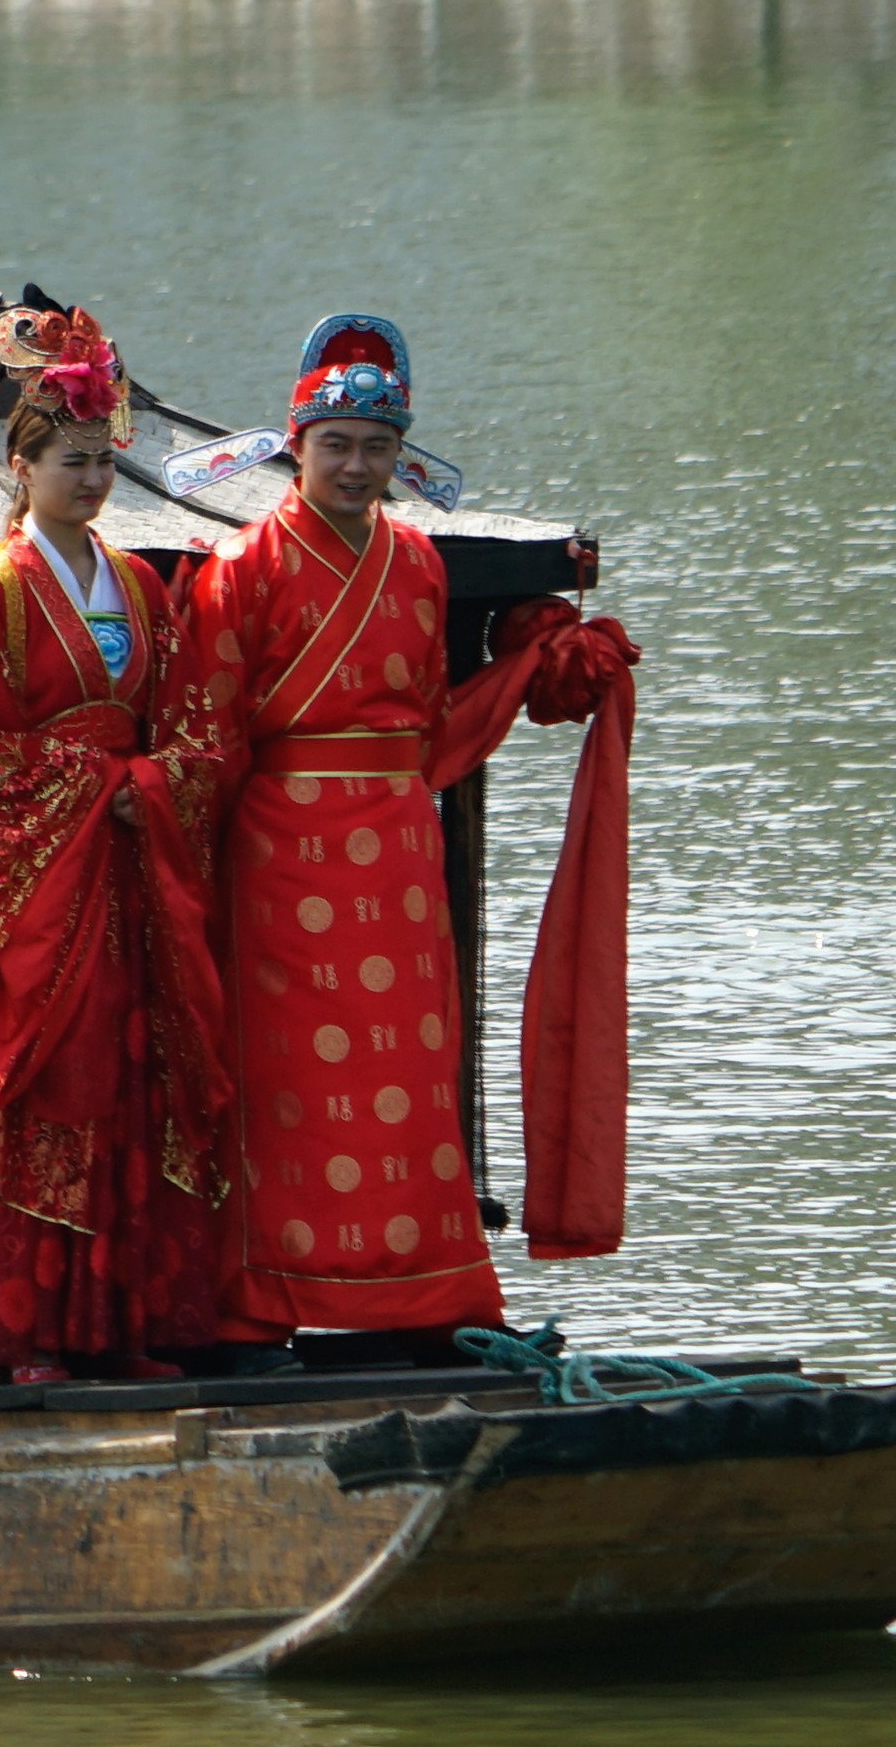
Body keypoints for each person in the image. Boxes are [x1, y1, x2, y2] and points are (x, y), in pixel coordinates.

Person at [186, 311, 632, 1335]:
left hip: (393, 847)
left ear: (401, 454)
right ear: (295, 446)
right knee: (287, 1079)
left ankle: (426, 1293)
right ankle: (265, 1301)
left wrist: (536, 665)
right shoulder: (240, 571)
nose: (355, 466)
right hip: (277, 856)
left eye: (376, 448)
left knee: (409, 1076)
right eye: (335, 446)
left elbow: (431, 724)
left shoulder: (420, 569)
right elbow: (204, 739)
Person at [0, 299, 237, 1379]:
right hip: (45, 889)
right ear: (24, 467)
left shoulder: (140, 585)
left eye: (103, 463)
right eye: (71, 464)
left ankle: (120, 1327)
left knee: (133, 1081)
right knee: (53, 1088)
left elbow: (189, 725)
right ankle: (32, 1333)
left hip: (125, 873)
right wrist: (106, 783)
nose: (92, 483)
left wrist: (160, 782)